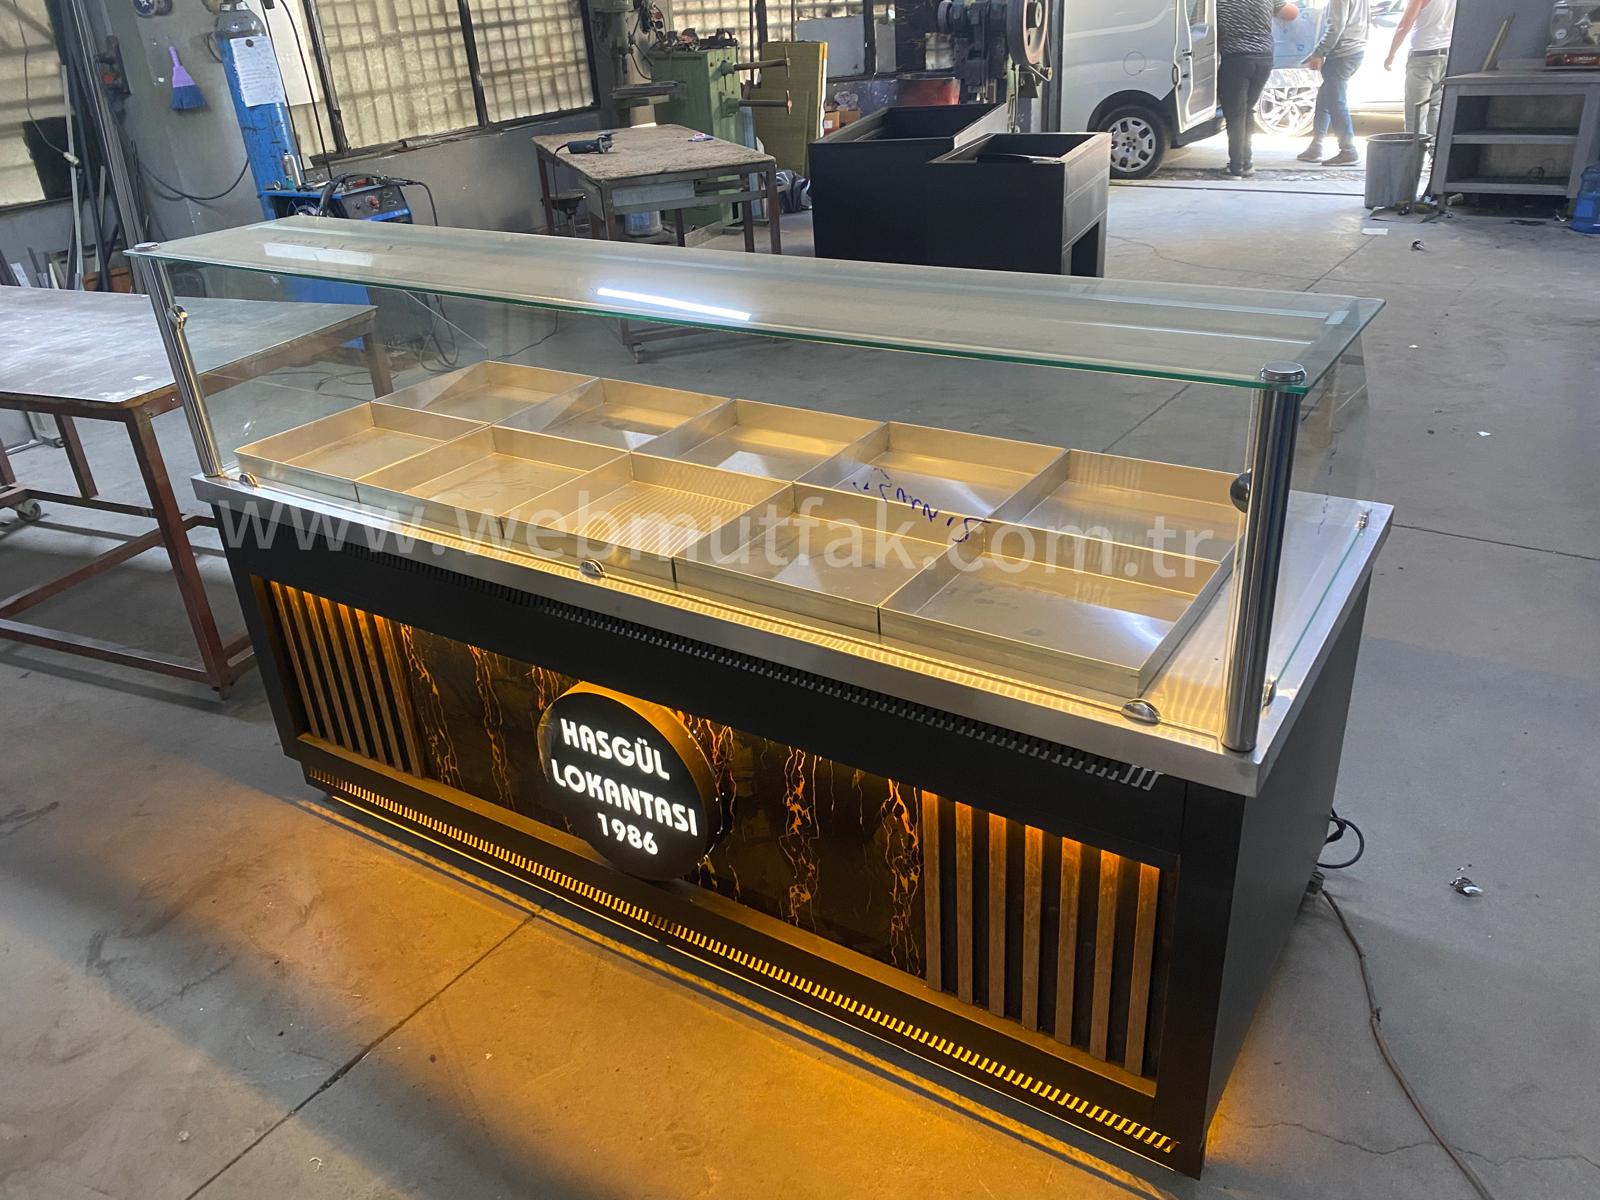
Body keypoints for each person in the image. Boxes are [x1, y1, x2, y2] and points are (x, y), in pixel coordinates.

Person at [1217, 0, 1301, 177]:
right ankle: (1246, 163)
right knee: (1247, 110)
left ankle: (1236, 167)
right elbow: (1292, 13)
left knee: (1236, 114)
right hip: (1264, 58)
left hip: (1236, 59)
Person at [1298, 0, 1371, 165]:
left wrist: (1319, 52)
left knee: (1336, 101)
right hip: (1354, 50)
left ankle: (1348, 150)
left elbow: (1336, 27)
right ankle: (1316, 146)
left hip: (1343, 52)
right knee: (1325, 98)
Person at [1385, 0, 1456, 136]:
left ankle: (1416, 150)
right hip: (1446, 55)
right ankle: (1434, 148)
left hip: (1423, 57)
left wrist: (1391, 55)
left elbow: (1404, 26)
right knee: (1434, 109)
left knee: (1416, 115)